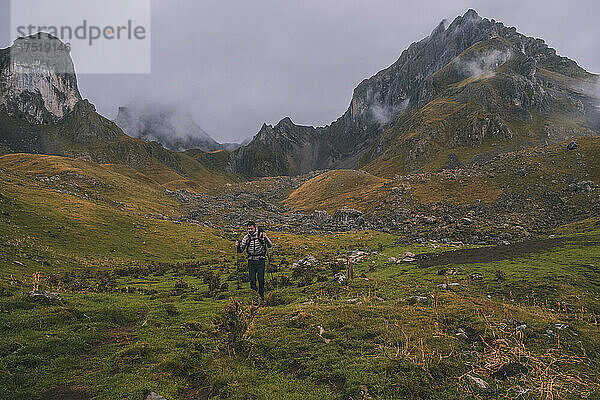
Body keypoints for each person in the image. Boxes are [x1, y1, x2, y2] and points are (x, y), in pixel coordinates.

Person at [235, 221, 272, 304]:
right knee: (252, 281)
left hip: (260, 260)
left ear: (255, 227)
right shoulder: (246, 238)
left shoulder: (261, 235)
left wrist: (265, 238)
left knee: (261, 279)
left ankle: (261, 297)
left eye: (251, 228)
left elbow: (270, 245)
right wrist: (237, 246)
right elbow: (241, 250)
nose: (250, 230)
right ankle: (255, 297)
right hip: (251, 261)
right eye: (248, 229)